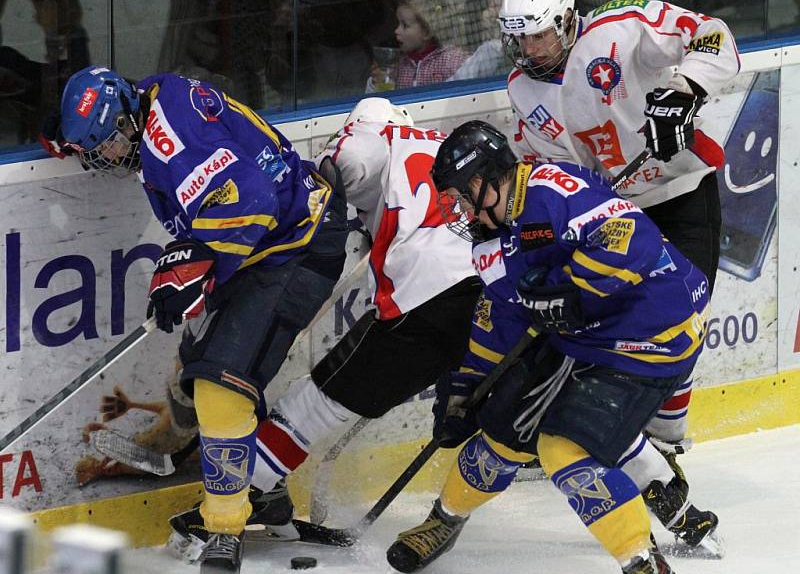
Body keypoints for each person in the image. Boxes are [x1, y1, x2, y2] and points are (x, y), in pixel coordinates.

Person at [42, 66, 349, 572]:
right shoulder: (147, 104)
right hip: (265, 246)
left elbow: (253, 198)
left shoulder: (169, 141)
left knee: (219, 384)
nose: (104, 161)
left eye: (105, 149)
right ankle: (262, 495)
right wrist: (69, 137)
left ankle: (226, 527)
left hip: (296, 245)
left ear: (124, 125)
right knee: (195, 365)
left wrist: (196, 259)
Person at [166, 97, 482, 560]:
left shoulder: (375, 135)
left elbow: (345, 163)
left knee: (315, 402)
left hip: (424, 297)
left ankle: (246, 491)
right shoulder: (443, 148)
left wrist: (321, 191)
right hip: (488, 291)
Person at [387, 120, 710, 574]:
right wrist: (465, 386)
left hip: (653, 329)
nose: (462, 212)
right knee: (501, 428)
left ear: (481, 182)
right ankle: (444, 520)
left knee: (566, 450)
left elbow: (636, 242)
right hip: (583, 335)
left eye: (462, 198)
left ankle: (642, 561)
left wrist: (570, 288)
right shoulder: (490, 243)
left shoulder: (554, 189)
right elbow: (502, 316)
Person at [498, 0, 737, 547]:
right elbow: (544, 172)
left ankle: (664, 439)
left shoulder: (622, 26)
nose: (530, 50)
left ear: (566, 19)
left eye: (539, 35)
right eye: (519, 38)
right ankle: (644, 449)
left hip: (680, 195)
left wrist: (686, 90)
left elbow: (714, 36)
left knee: (683, 320)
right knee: (609, 329)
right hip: (610, 221)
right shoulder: (521, 91)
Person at [368, 0, 469, 90]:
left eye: (405, 25)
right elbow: (384, 100)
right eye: (397, 24)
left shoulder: (451, 60)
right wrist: (377, 83)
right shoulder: (398, 67)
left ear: (426, 32)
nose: (397, 31)